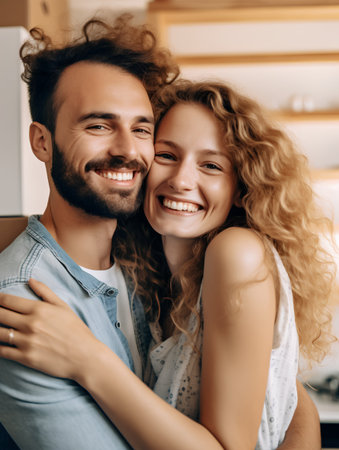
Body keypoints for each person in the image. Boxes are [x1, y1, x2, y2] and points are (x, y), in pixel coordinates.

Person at [0, 78, 335, 448]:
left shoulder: (235, 252)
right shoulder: (154, 274)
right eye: (167, 155)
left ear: (240, 189)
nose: (181, 180)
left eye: (211, 165)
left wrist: (88, 358)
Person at [0, 15, 178, 450]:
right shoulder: (20, 302)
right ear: (42, 142)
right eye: (98, 125)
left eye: (141, 129)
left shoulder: (155, 262)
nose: (127, 150)